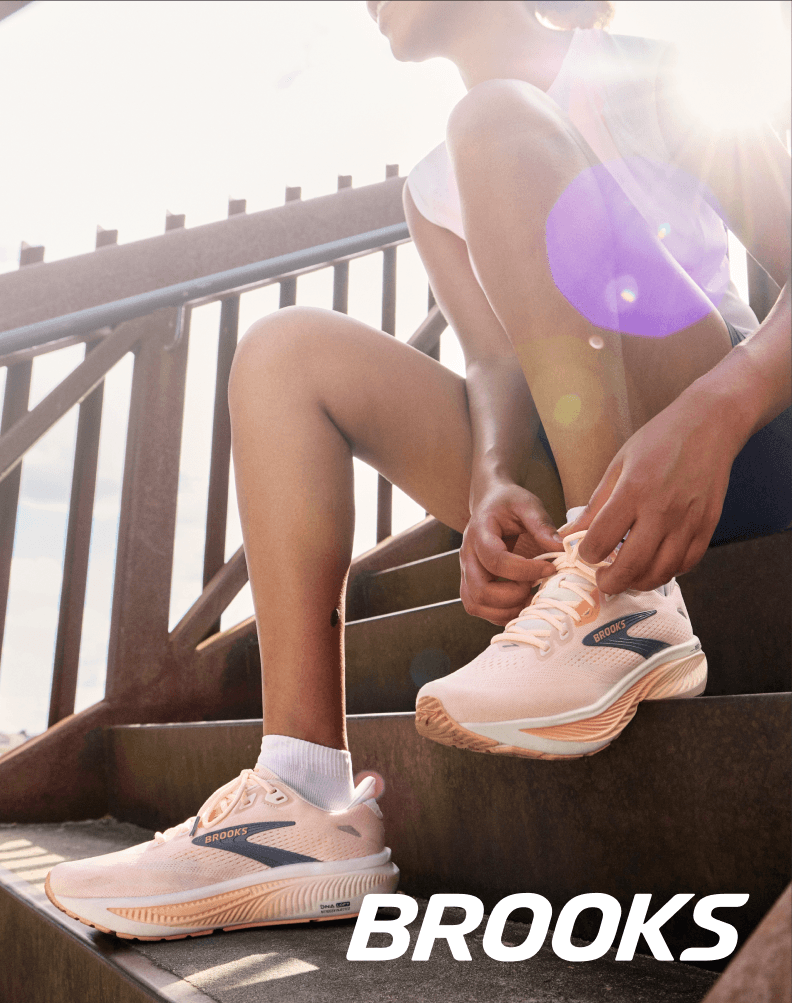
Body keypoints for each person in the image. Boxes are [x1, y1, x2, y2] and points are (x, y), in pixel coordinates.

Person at [46, 0, 790, 938]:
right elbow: (493, 363)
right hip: (574, 467)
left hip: (720, 436)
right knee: (283, 352)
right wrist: (487, 483)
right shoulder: (433, 184)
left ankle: (620, 607)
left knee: (497, 117)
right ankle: (302, 792)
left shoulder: (647, 73)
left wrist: (718, 413)